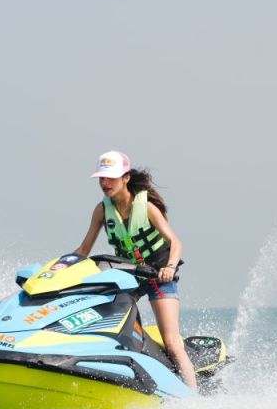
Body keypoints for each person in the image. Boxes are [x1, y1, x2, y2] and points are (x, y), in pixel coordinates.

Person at [74, 150, 198, 390]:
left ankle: (194, 397)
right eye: (101, 178)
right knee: (103, 324)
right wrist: (60, 267)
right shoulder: (102, 210)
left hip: (158, 277)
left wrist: (170, 267)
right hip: (128, 278)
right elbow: (84, 249)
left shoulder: (147, 207)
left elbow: (176, 242)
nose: (105, 183)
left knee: (172, 342)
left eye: (111, 177)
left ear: (126, 178)